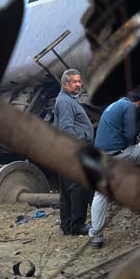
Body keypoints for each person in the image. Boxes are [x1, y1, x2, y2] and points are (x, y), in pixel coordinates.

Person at [89, 89, 140, 248]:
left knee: (101, 192)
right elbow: (130, 136)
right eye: (139, 107)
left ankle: (96, 235)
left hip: (101, 155)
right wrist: (137, 137)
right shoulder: (130, 107)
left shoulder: (113, 105)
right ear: (138, 102)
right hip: (119, 153)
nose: (138, 110)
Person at [54, 69, 94, 235]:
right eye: (74, 82)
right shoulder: (65, 102)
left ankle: (67, 225)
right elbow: (66, 129)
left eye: (79, 81)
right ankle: (77, 226)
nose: (78, 84)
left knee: (67, 189)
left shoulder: (67, 99)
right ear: (65, 84)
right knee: (78, 188)